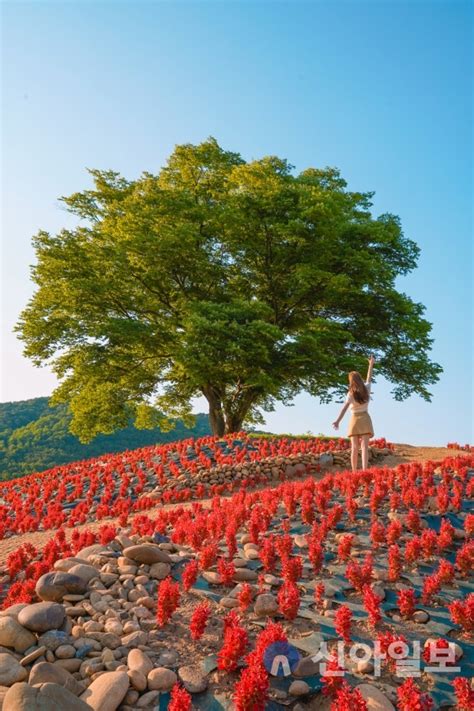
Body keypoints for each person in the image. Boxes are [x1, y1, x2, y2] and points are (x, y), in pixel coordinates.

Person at [332, 355, 375, 471]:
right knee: (365, 447)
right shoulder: (367, 388)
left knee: (354, 447)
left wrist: (337, 421)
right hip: (365, 417)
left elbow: (344, 408)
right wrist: (371, 364)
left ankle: (354, 472)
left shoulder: (350, 394)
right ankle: (365, 470)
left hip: (354, 419)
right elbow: (369, 377)